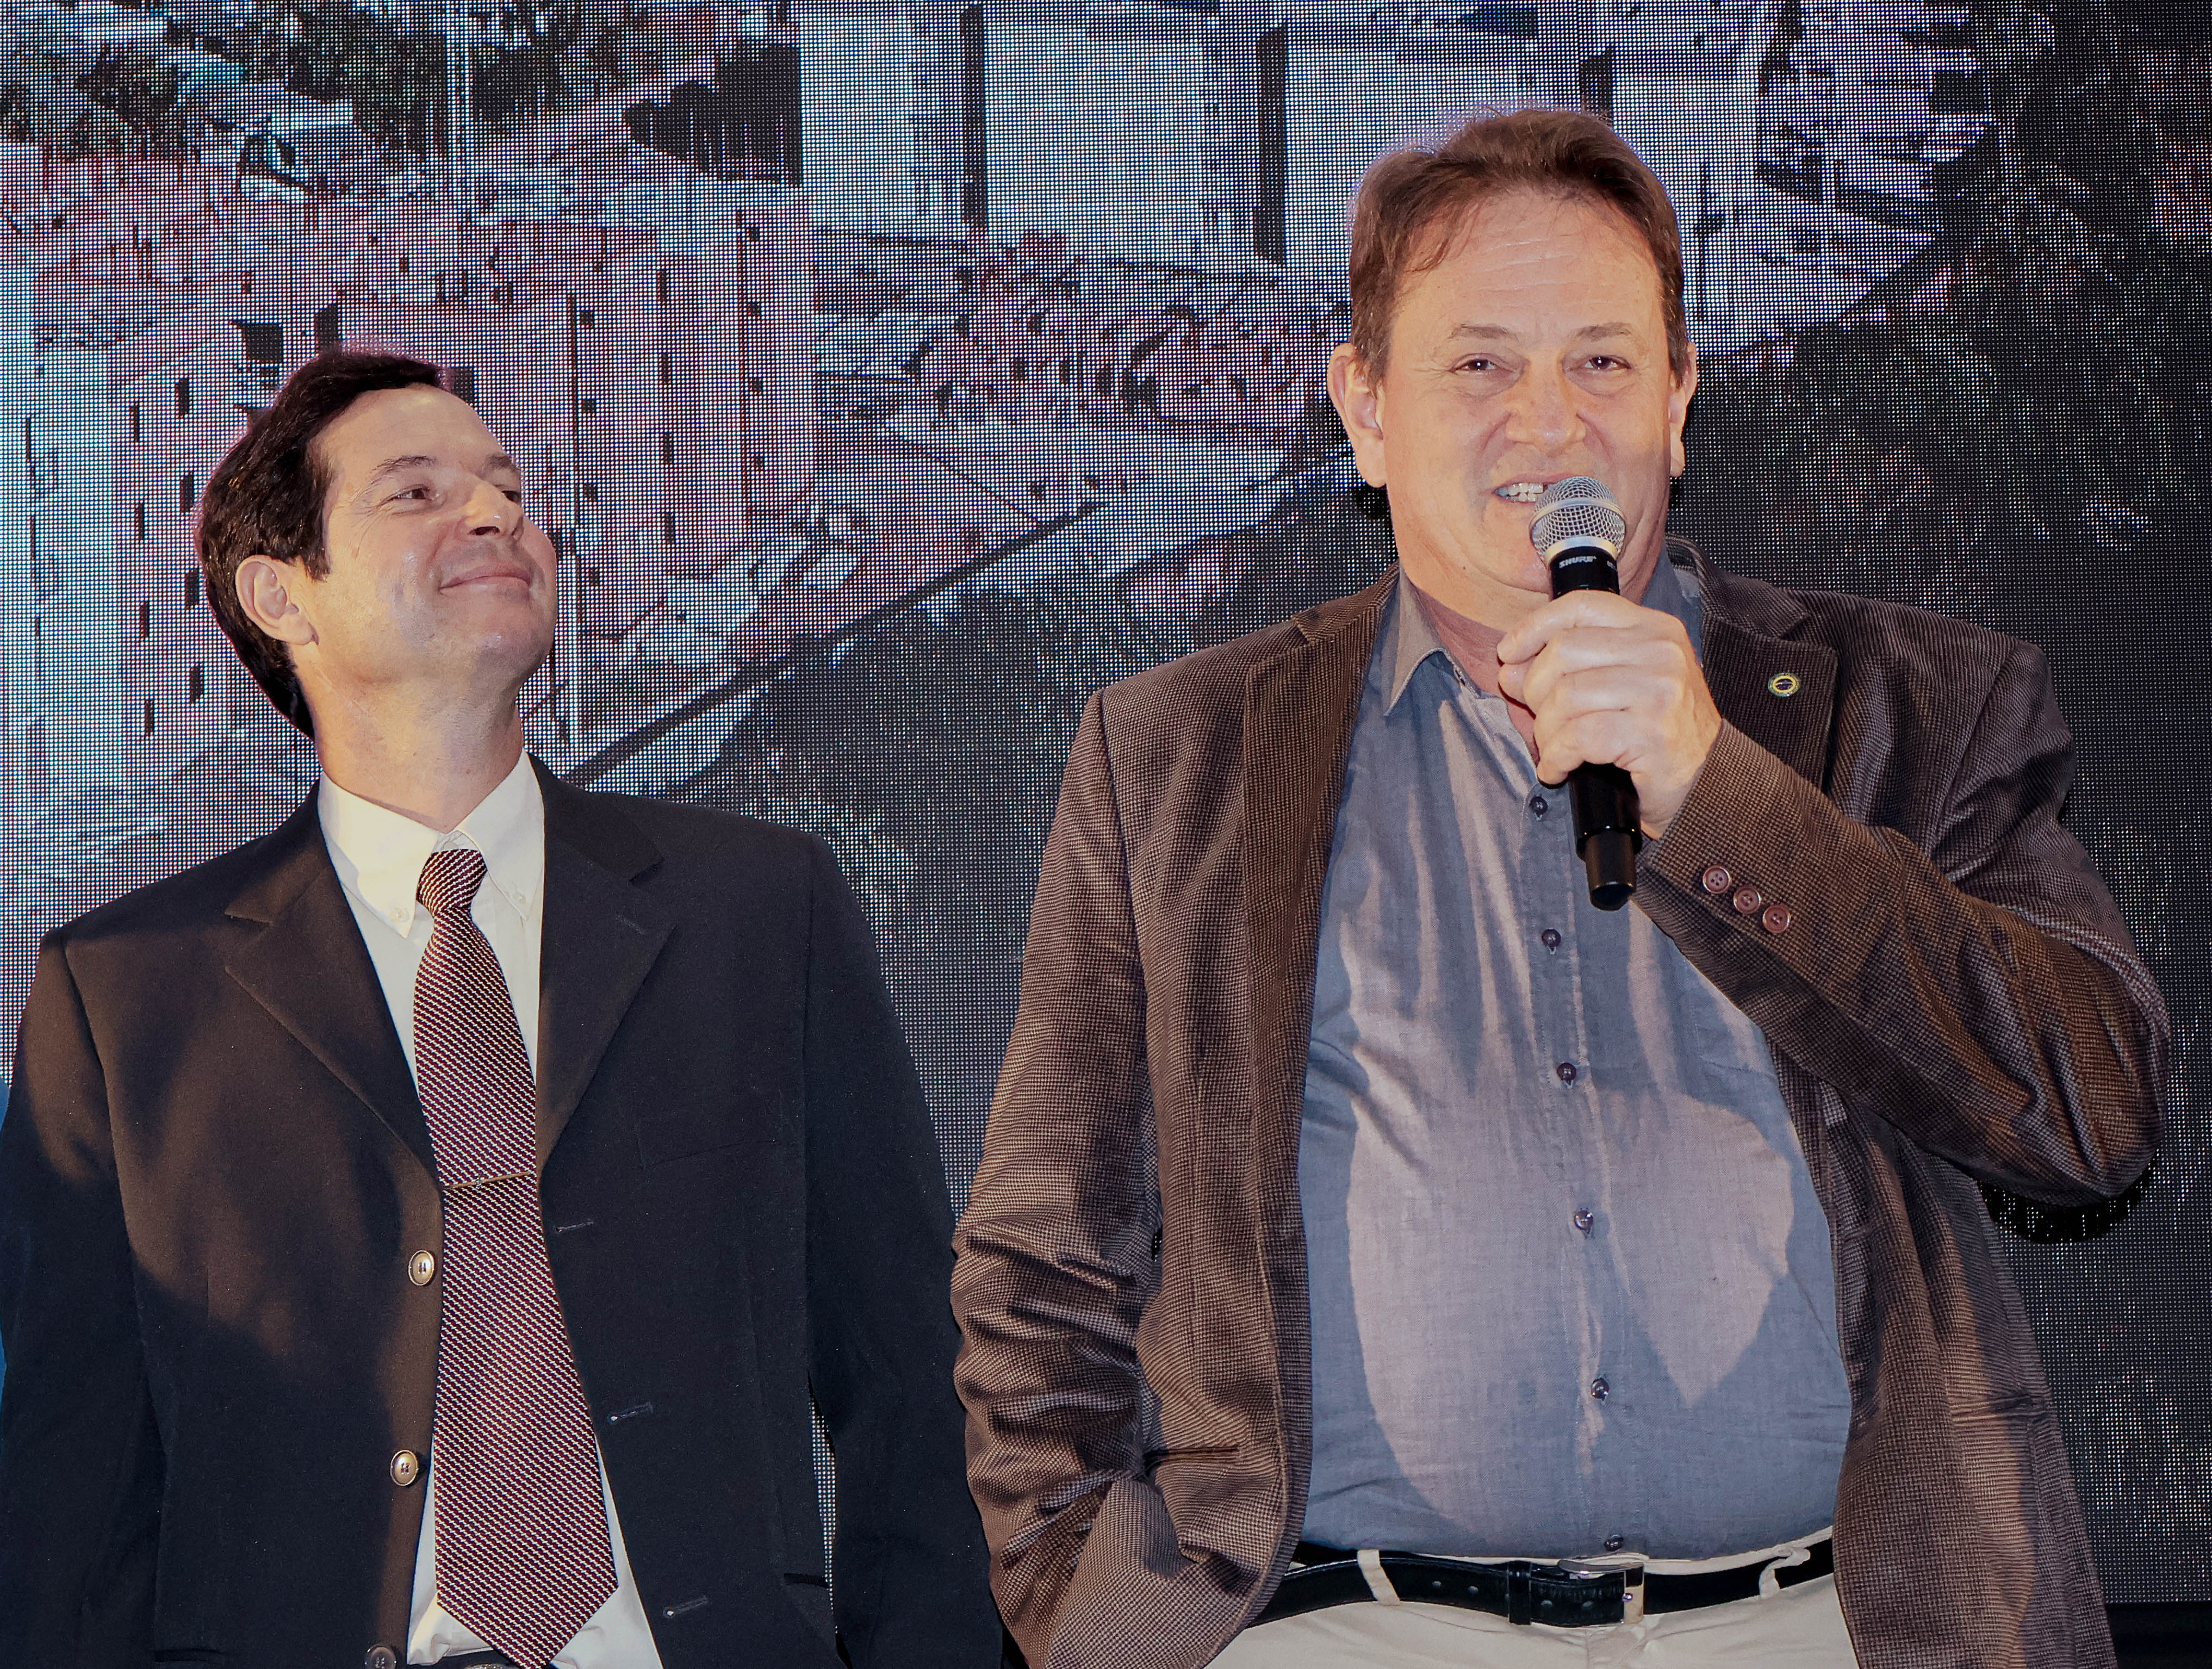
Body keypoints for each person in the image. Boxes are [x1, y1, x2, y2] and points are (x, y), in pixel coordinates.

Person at [950, 109, 2167, 1669]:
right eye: (1479, 363)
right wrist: (1099, 1615)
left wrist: (1719, 793)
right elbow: (1044, 1255)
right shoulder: (1178, 753)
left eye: (1602, 360)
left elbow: (2091, 1112)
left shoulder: (1919, 707)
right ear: (1365, 409)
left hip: (1824, 1624)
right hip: (1342, 1632)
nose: (1548, 420)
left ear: (1677, 401)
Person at [0, 351, 999, 1669]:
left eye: (510, 489)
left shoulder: (760, 910)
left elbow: (917, 1381)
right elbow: (71, 1501)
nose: (496, 514)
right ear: (280, 593)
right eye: (417, 491)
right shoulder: (128, 994)